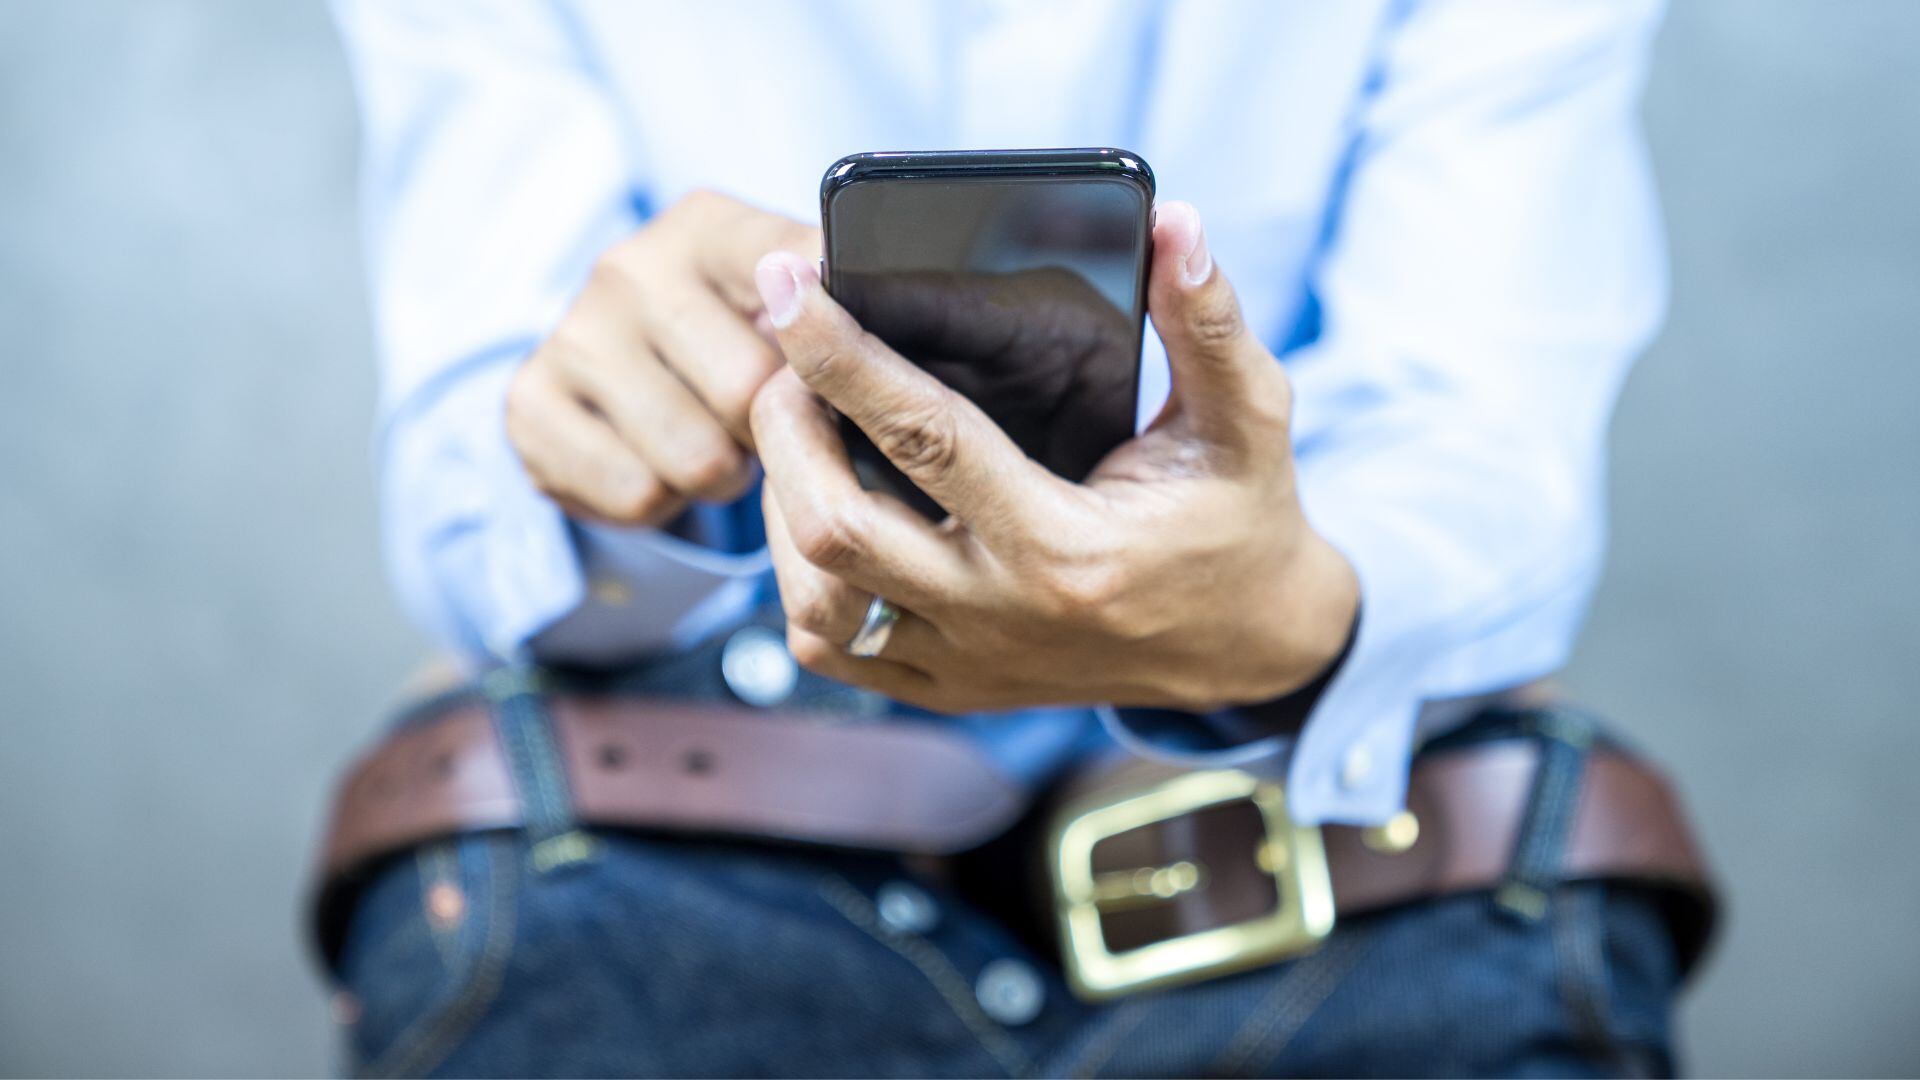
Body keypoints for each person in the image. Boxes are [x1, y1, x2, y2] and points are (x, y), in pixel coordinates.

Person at [319, 2, 1714, 1076]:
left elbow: (1485, 440)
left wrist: (1290, 606)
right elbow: (467, 500)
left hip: (1359, 900)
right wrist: (604, 455)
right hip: (656, 887)